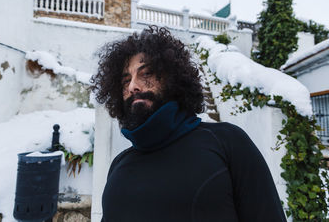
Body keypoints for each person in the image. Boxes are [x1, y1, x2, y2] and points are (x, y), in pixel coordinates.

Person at [91, 26, 287, 222]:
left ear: (173, 79)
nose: (133, 85)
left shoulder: (227, 142)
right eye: (126, 80)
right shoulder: (118, 164)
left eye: (147, 73)